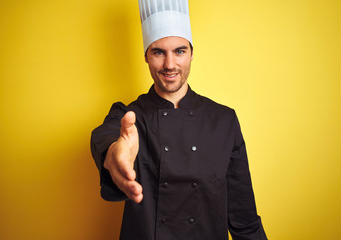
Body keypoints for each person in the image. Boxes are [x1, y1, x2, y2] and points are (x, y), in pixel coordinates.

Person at [91, 0, 267, 239]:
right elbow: (105, 134)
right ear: (146, 56)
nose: (169, 64)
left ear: (192, 53)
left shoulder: (224, 120)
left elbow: (244, 218)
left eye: (179, 51)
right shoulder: (130, 117)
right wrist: (114, 155)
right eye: (158, 52)